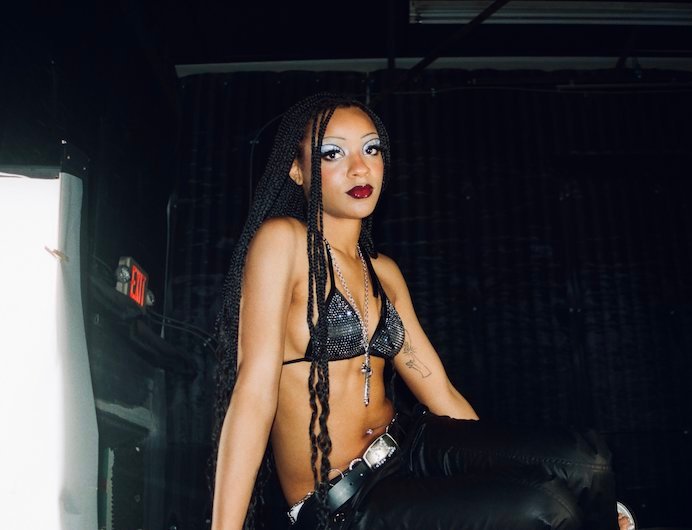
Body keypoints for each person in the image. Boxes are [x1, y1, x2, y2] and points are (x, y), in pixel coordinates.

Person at [211, 93, 620, 530]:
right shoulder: (283, 242)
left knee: (588, 462)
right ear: (296, 170)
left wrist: (492, 462)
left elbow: (438, 389)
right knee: (545, 508)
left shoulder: (384, 272)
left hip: (413, 445)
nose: (359, 168)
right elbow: (253, 393)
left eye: (371, 149)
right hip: (344, 498)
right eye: (332, 153)